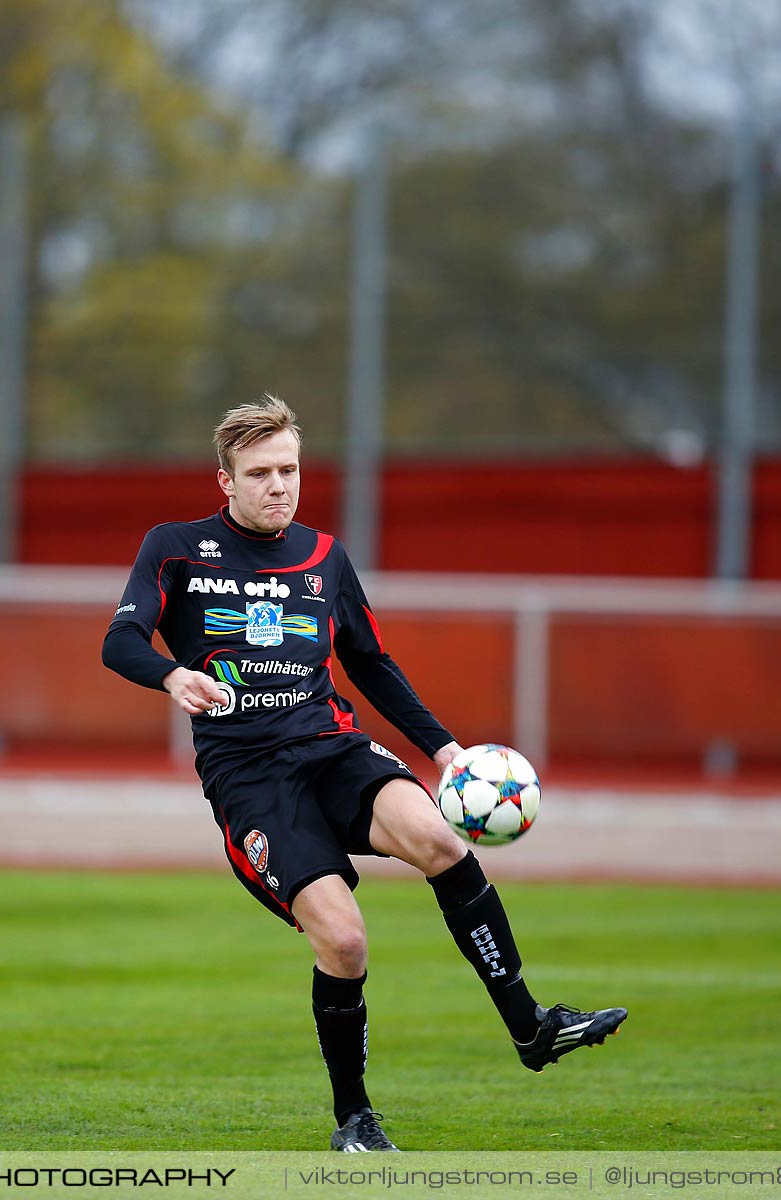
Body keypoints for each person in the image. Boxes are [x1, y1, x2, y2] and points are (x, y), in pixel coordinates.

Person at [101, 397, 626, 1152]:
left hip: (333, 747)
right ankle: (355, 1118)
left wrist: (442, 749)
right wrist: (171, 676)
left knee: (438, 840)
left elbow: (371, 663)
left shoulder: (323, 557)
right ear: (225, 481)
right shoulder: (177, 548)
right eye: (260, 473)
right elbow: (119, 639)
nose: (279, 486)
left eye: (289, 470)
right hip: (250, 777)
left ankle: (530, 1026)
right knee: (345, 946)